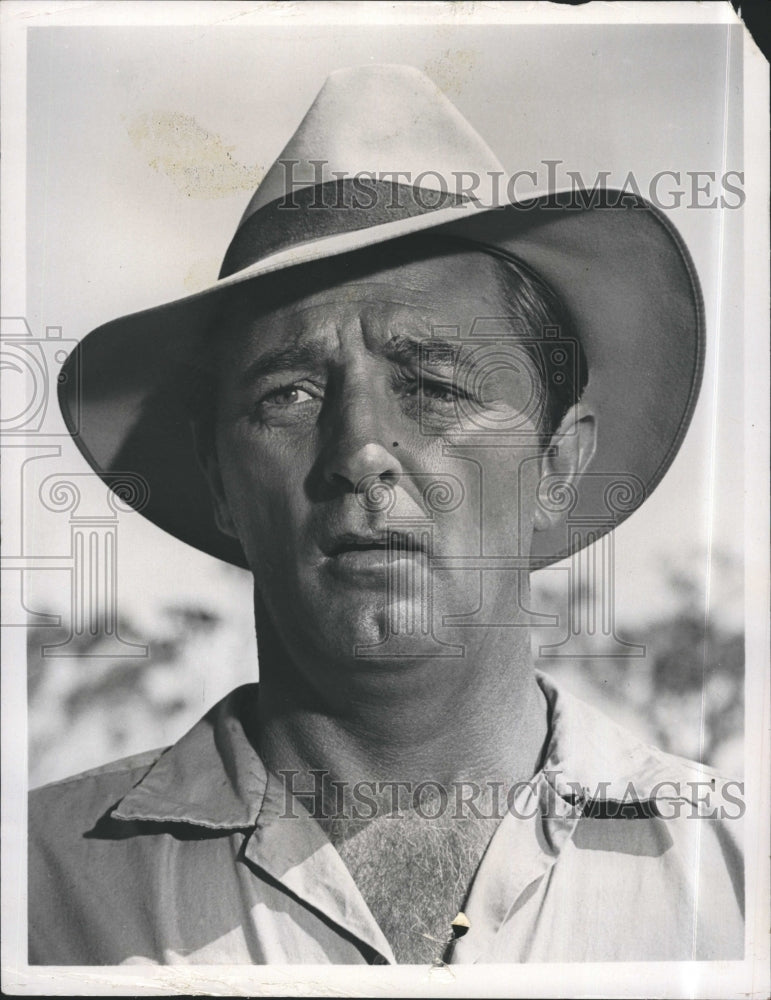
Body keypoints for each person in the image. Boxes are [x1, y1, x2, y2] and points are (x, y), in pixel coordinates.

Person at [29, 64, 743, 966]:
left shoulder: (735, 881)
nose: (361, 449)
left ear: (557, 465)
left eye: (435, 385)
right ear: (219, 479)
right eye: (287, 394)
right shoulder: (38, 888)